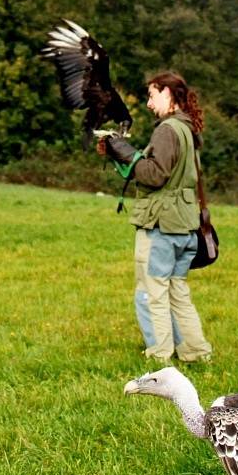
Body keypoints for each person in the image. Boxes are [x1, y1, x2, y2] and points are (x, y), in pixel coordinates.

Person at [97, 72, 213, 364]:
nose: (148, 103)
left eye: (151, 95)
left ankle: (160, 355)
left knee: (153, 292)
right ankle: (196, 353)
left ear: (168, 94)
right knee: (178, 293)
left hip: (161, 225)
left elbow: (154, 175)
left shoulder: (167, 130)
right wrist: (119, 156)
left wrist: (126, 154)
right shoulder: (188, 129)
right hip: (185, 226)